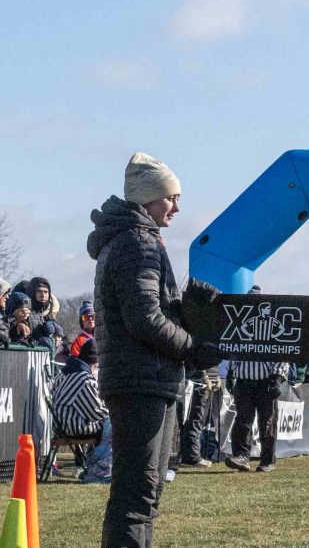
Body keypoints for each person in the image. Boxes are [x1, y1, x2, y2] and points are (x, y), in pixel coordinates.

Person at [89, 151, 223, 547]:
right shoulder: (137, 244)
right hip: (141, 383)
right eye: (171, 197)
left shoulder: (135, 241)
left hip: (146, 380)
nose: (178, 207)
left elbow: (151, 310)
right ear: (148, 198)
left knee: (146, 495)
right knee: (136, 496)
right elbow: (144, 319)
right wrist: (193, 347)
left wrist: (187, 308)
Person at [51, 338, 113, 483]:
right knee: (114, 422)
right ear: (96, 363)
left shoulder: (64, 373)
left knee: (109, 422)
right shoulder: (84, 379)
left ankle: (93, 465)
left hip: (60, 425)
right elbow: (97, 412)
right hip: (75, 426)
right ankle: (100, 470)